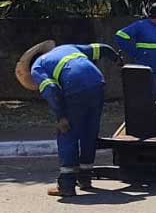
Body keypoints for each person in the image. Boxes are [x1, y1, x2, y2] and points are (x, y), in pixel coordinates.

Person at [15, 40, 121, 197]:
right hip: (97, 83)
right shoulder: (68, 48)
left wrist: (61, 116)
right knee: (89, 130)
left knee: (67, 132)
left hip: (75, 85)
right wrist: (118, 60)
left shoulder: (37, 67)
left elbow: (51, 90)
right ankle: (85, 177)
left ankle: (66, 184)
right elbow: (103, 49)